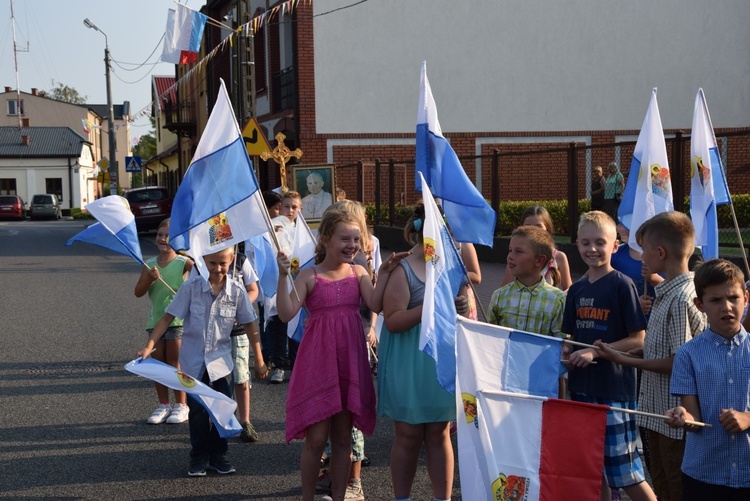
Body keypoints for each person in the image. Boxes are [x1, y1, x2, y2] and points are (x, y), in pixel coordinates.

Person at [275, 201, 408, 501]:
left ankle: (339, 496)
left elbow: (375, 304)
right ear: (325, 240)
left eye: (356, 239)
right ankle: (307, 496)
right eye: (344, 239)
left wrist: (383, 272)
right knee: (316, 439)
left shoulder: (359, 271)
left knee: (343, 440)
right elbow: (285, 314)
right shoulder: (308, 276)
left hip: (349, 362)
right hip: (318, 364)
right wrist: (283, 276)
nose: (352, 245)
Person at [596, 212, 706, 501]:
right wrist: (641, 350)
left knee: (674, 487)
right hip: (660, 415)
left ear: (660, 253)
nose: (641, 256)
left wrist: (627, 360)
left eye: (643, 249)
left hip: (674, 418)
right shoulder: (669, 292)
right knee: (662, 481)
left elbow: (680, 363)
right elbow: (675, 347)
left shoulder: (681, 298)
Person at [136, 247, 269, 477]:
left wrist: (259, 359)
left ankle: (219, 455)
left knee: (222, 411)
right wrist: (149, 345)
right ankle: (198, 456)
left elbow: (250, 325)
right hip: (193, 363)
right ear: (203, 262)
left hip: (221, 364)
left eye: (223, 264)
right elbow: (167, 317)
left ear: (231, 262)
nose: (218, 269)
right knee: (197, 412)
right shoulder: (191, 288)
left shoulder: (236, 291)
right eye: (212, 263)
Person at [563, 211, 656, 501]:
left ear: (615, 246)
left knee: (624, 472)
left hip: (614, 391)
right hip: (582, 390)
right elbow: (569, 338)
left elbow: (637, 339)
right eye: (586, 242)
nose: (592, 249)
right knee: (593, 471)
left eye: (600, 242)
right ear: (576, 244)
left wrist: (595, 351)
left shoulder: (622, 284)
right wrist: (567, 350)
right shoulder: (575, 290)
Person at [378, 203, 467, 501]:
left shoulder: (451, 265)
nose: (453, 239)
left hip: (440, 361)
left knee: (439, 433)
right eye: (446, 232)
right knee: (408, 435)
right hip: (410, 363)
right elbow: (392, 321)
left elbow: (461, 309)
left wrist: (462, 309)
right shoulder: (404, 268)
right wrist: (429, 307)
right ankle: (402, 498)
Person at [665, 259, 750, 500]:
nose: (726, 307)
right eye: (715, 300)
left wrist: (748, 417)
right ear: (699, 304)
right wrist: (682, 417)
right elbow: (694, 420)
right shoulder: (687, 354)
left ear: (746, 297)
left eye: (733, 297)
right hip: (704, 474)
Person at [134, 218, 193, 425]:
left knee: (175, 364)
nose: (163, 239)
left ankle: (181, 404)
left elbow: (201, 277)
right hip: (155, 322)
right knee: (158, 365)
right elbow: (138, 292)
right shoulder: (148, 264)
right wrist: (149, 278)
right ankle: (164, 404)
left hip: (178, 322)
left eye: (168, 235)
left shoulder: (183, 262)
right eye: (160, 234)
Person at [488, 225, 566, 338]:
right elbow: (491, 335)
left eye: (518, 251)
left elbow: (561, 342)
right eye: (510, 250)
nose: (510, 256)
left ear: (539, 260)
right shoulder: (499, 295)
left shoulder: (557, 299)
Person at [269, 190, 303, 383]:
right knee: (280, 323)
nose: (290, 210)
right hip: (279, 280)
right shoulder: (275, 226)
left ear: (300, 209)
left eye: (294, 207)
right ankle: (279, 364)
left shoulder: (302, 230)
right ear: (280, 208)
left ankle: (297, 363)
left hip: (297, 280)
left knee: (296, 322)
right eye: (286, 206)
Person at [500, 205, 572, 291]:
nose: (533, 231)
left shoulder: (559, 257)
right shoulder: (516, 258)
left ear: (548, 230)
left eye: (538, 227)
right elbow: (504, 290)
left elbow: (568, 289)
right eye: (528, 227)